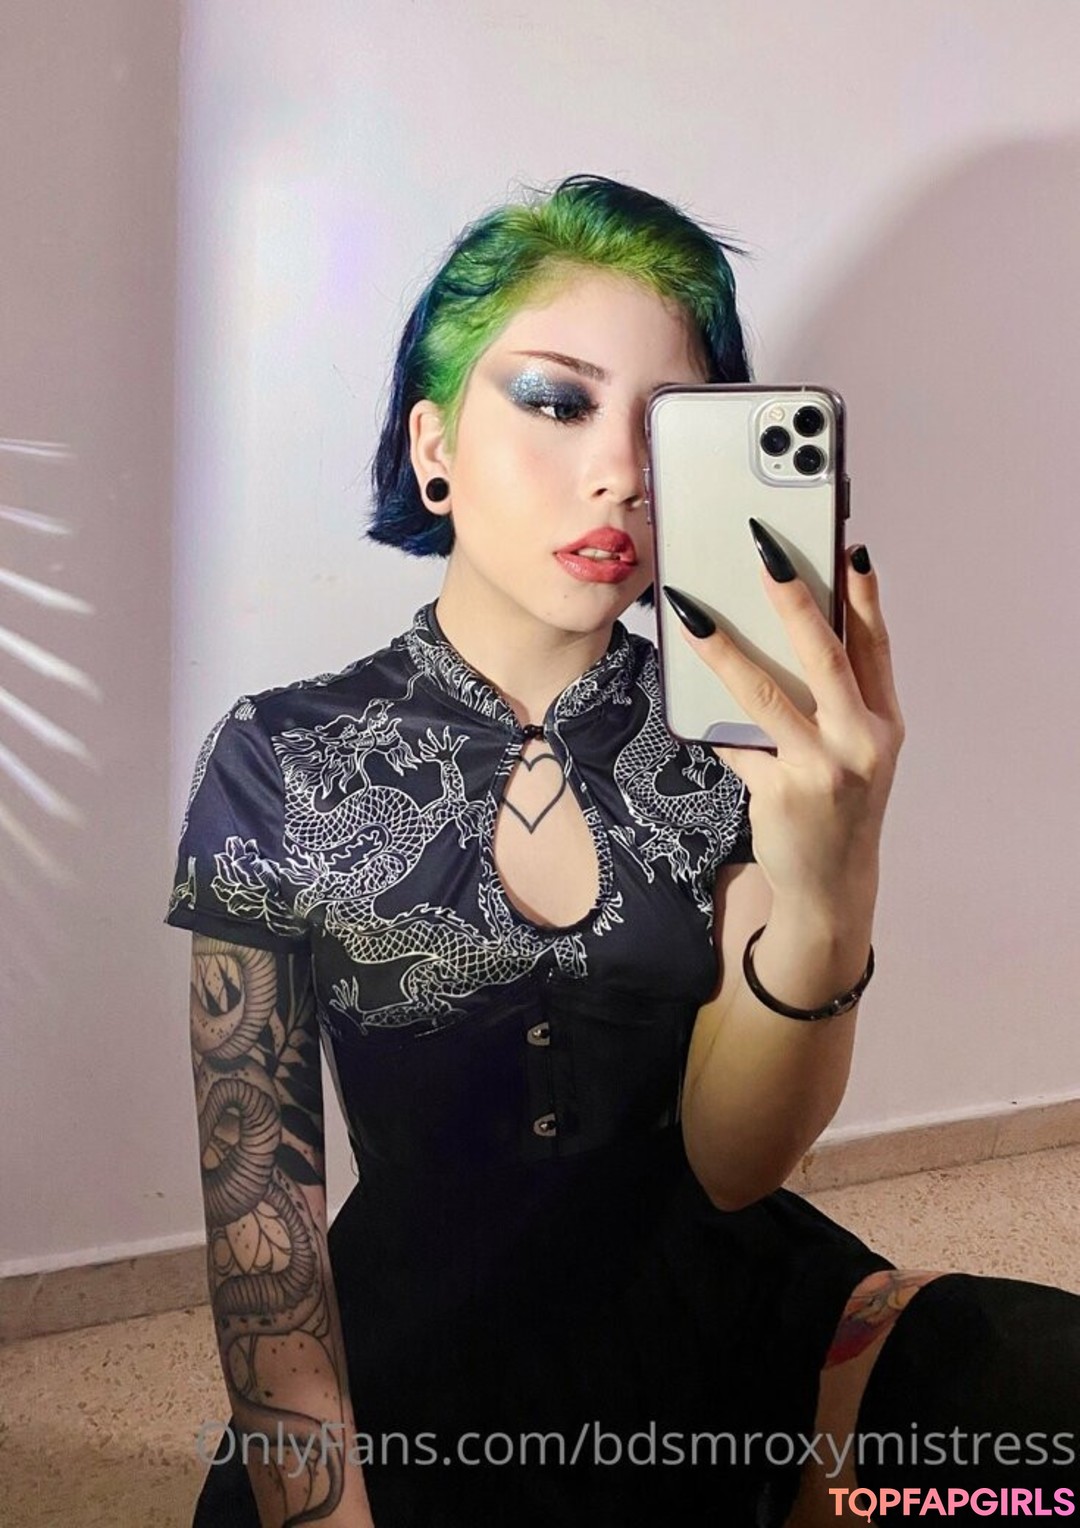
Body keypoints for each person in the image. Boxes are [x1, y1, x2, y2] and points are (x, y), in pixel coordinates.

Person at [167, 175, 1079, 1528]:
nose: (623, 473)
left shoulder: (734, 743)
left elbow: (733, 1163)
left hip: (732, 1308)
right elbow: (262, 1219)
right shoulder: (281, 757)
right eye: (556, 401)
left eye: (668, 428)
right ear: (433, 445)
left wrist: (832, 884)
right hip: (422, 1356)